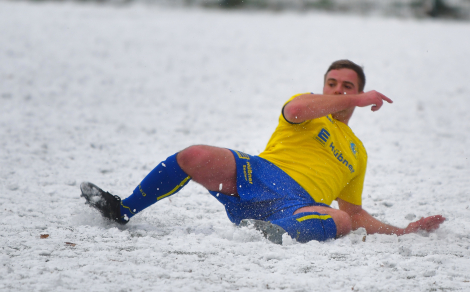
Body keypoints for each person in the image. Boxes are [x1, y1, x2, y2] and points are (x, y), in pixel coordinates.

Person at [80, 59, 446, 244]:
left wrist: (402, 231)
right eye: (332, 83)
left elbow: (354, 211)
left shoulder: (358, 152)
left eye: (347, 86)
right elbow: (296, 110)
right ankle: (123, 209)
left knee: (342, 221)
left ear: (360, 92)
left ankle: (270, 230)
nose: (338, 90)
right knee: (194, 155)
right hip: (257, 174)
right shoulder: (308, 107)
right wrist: (355, 99)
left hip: (296, 206)